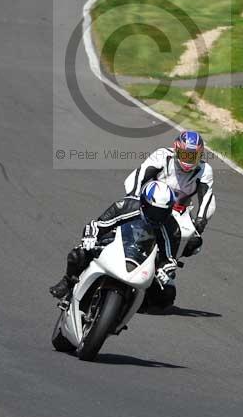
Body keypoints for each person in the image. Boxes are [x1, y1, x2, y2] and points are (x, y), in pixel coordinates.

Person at [50, 180, 179, 308]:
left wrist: (165, 270)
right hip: (115, 243)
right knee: (78, 255)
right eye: (153, 211)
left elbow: (170, 258)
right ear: (144, 204)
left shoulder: (172, 227)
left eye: (161, 213)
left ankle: (130, 307)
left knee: (167, 293)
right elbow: (97, 224)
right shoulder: (126, 206)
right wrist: (90, 237)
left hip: (144, 258)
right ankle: (68, 283)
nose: (156, 217)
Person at [124, 131, 215, 260]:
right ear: (176, 150)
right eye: (185, 154)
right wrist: (132, 197)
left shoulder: (205, 170)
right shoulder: (162, 155)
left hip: (179, 212)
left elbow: (207, 198)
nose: (188, 159)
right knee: (124, 220)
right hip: (151, 205)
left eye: (193, 156)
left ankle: (169, 263)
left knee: (194, 244)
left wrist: (201, 221)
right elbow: (139, 175)